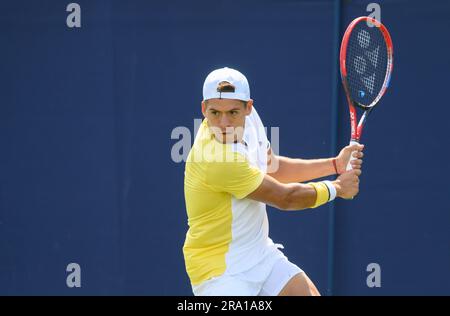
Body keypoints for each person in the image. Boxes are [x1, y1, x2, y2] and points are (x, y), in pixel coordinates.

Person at [183, 67, 364, 296]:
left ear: (248, 107)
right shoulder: (216, 159)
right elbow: (285, 198)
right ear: (203, 109)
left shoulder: (251, 123)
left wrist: (335, 165)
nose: (224, 122)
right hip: (220, 273)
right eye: (215, 113)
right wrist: (337, 188)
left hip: (259, 253)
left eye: (233, 112)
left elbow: (271, 168)